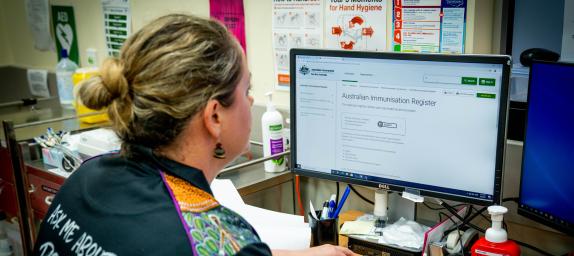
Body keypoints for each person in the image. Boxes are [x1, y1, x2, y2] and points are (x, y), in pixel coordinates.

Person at [33, 14, 355, 256]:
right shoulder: (214, 235)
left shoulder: (89, 174)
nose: (252, 101)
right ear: (215, 116)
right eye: (247, 89)